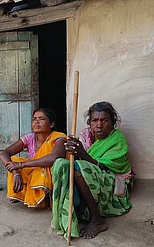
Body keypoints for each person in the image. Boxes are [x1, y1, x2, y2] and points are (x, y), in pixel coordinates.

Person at [51, 101, 134, 239]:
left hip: (112, 181)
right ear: (89, 123)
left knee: (80, 169)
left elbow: (104, 167)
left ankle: (97, 220)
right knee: (61, 164)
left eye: (104, 120)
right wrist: (73, 149)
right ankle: (71, 211)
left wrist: (83, 155)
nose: (99, 125)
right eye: (95, 120)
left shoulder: (117, 139)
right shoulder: (85, 135)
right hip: (87, 177)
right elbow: (77, 160)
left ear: (113, 122)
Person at [0, 108, 67, 207]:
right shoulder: (29, 138)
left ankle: (46, 198)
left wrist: (21, 165)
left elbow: (54, 157)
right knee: (13, 160)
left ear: (51, 124)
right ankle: (23, 194)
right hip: (34, 169)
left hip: (51, 171)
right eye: (34, 119)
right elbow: (4, 154)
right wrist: (16, 172)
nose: (36, 122)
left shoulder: (59, 137)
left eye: (41, 119)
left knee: (43, 168)